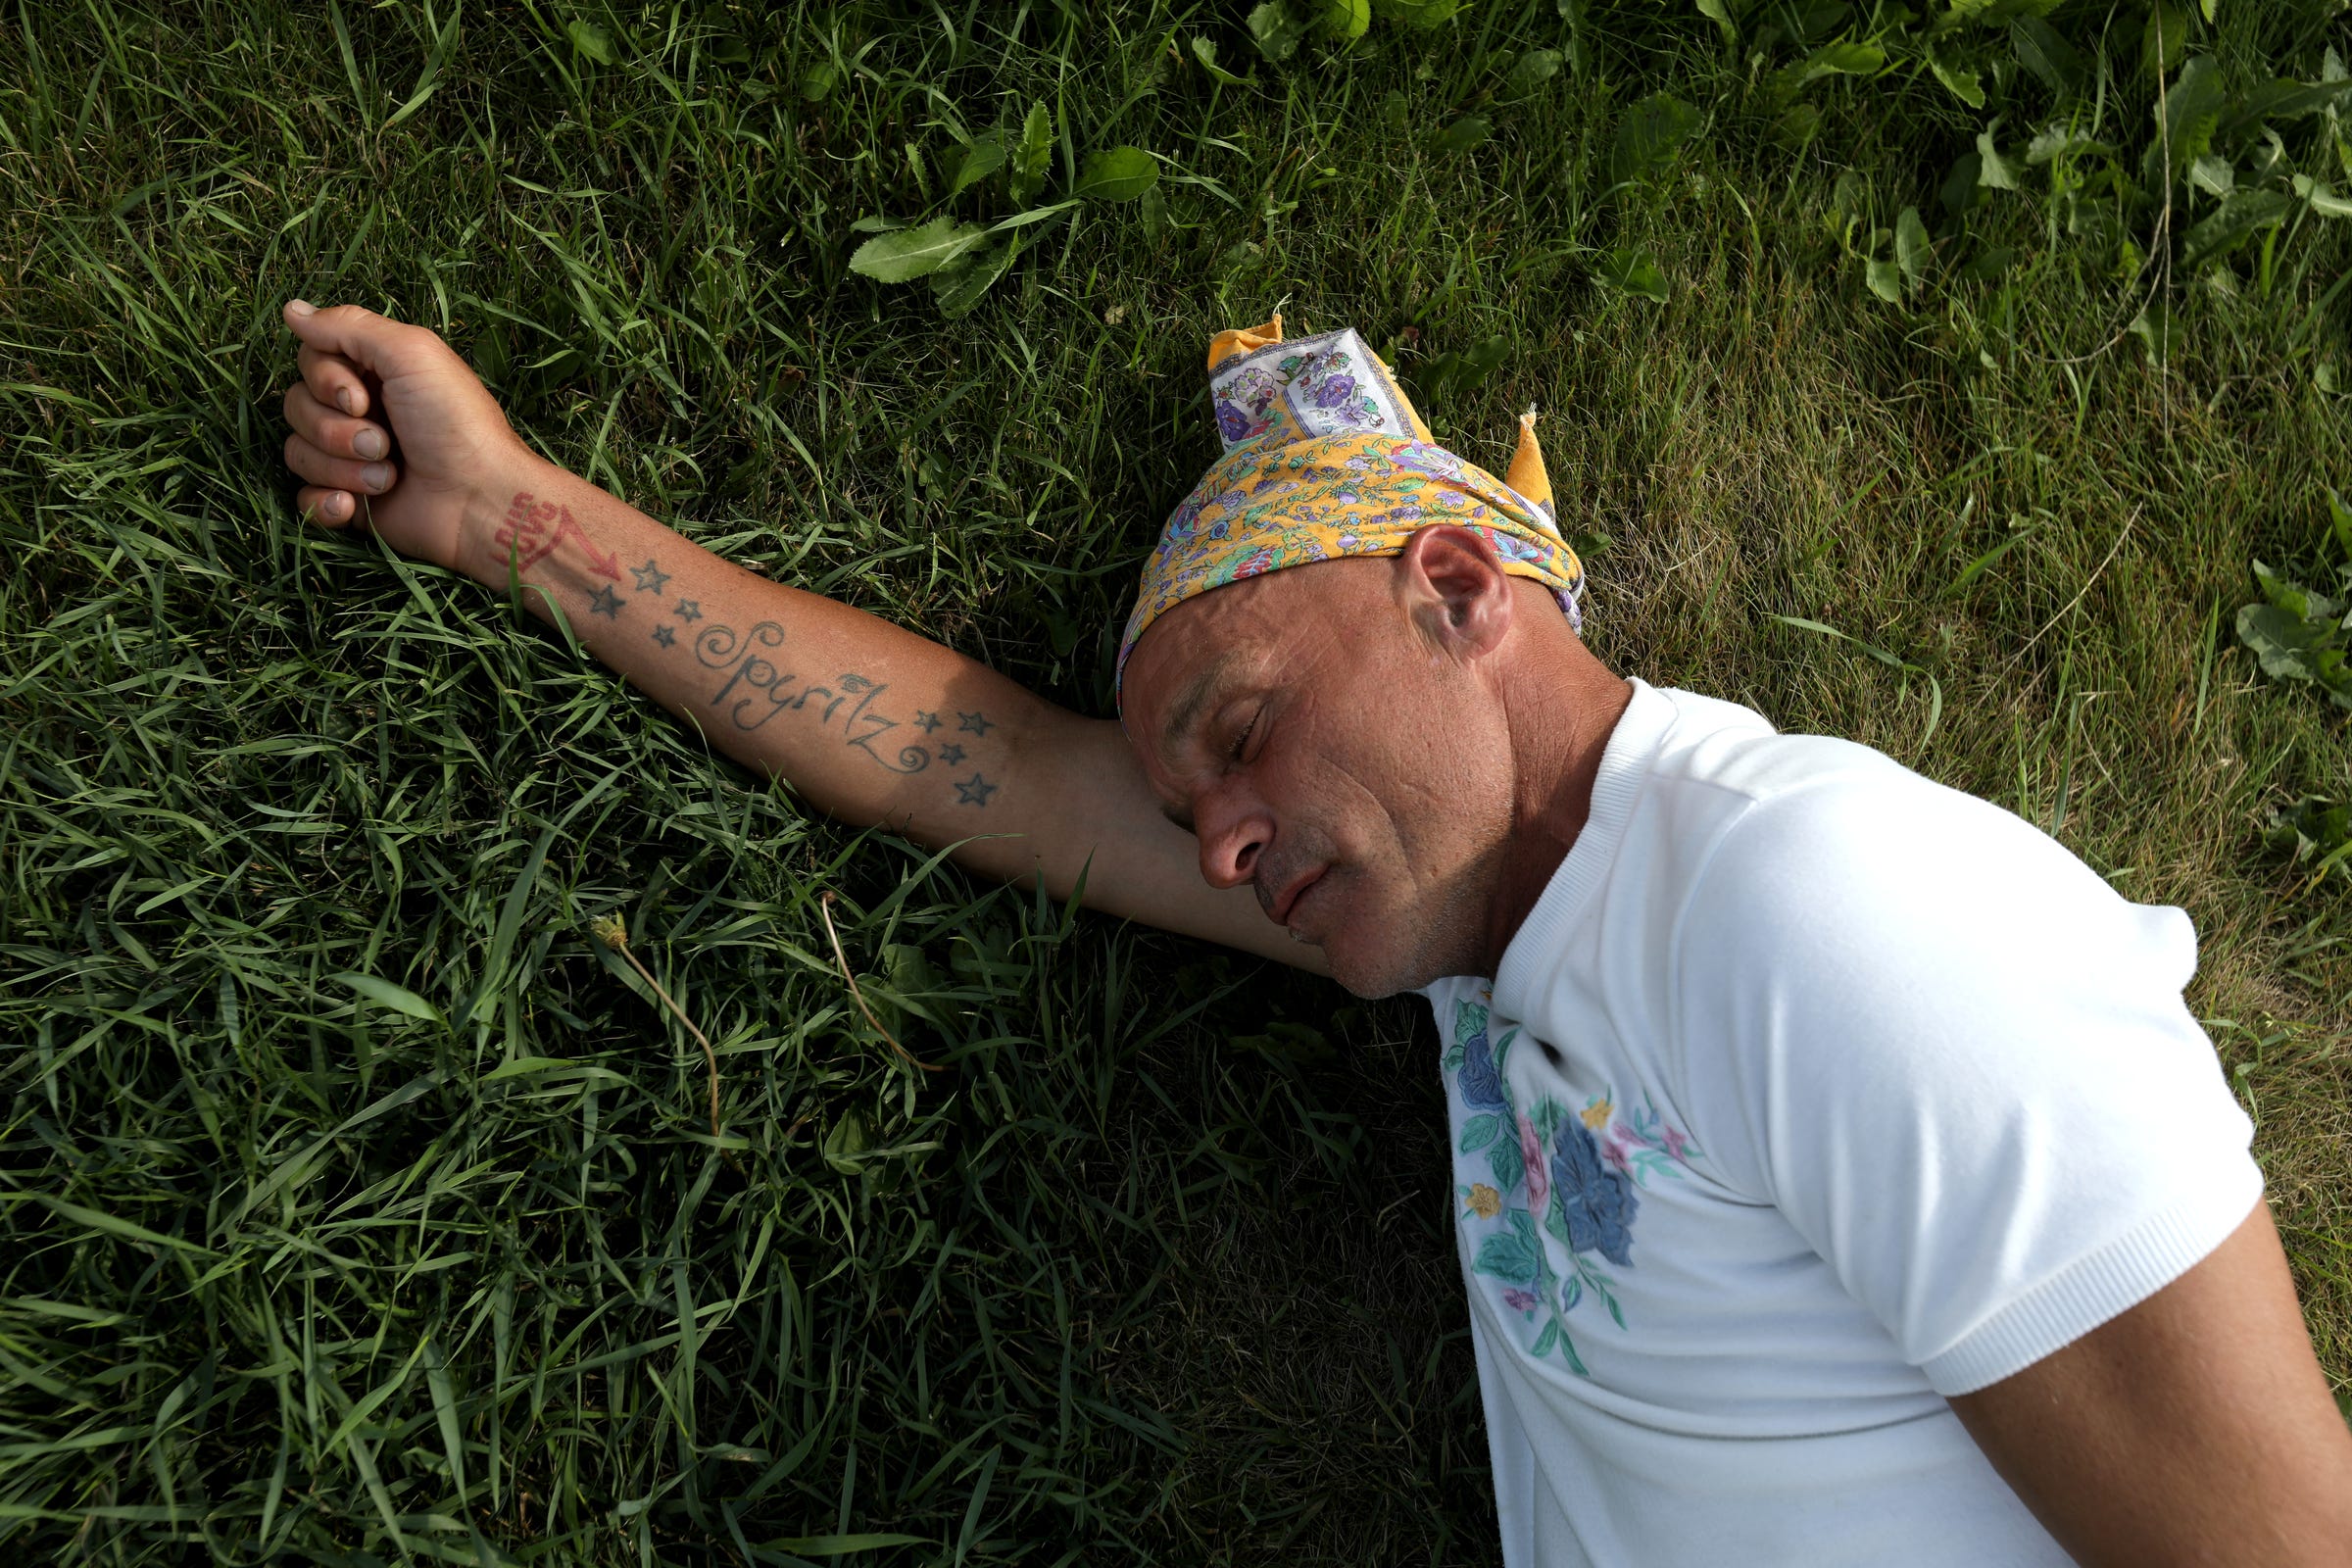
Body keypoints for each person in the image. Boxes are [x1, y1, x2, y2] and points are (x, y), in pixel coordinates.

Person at [276, 299, 2352, 1567]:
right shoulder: (1496, 949)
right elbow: (974, 755)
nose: (1227, 837)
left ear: (1458, 585)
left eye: (1246, 733)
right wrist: (503, 512)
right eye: (1195, 808)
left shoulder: (1811, 908)